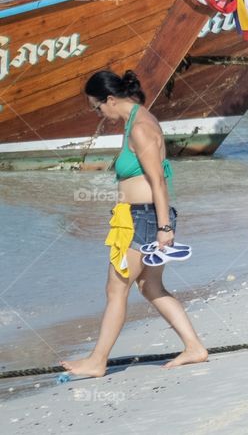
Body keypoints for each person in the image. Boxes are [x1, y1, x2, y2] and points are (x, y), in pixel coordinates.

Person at [60, 70, 208, 378]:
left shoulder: (140, 127)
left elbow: (158, 181)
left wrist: (165, 228)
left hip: (145, 218)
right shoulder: (137, 120)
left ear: (110, 100)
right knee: (150, 285)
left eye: (97, 108)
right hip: (142, 216)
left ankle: (97, 360)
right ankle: (194, 347)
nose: (99, 114)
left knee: (117, 288)